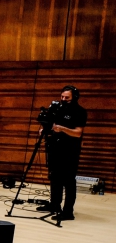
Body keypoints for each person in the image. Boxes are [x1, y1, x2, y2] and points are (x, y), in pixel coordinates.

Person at [44, 84, 87, 221]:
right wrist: (46, 129)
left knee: (68, 181)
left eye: (67, 98)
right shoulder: (58, 109)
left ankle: (68, 212)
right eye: (62, 97)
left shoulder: (80, 111)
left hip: (70, 150)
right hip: (55, 147)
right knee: (54, 177)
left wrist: (62, 129)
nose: (63, 99)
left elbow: (78, 133)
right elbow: (52, 125)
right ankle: (54, 205)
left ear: (74, 97)